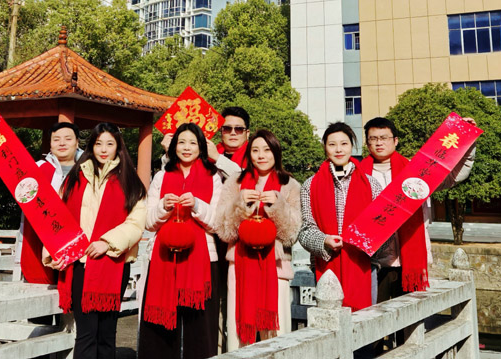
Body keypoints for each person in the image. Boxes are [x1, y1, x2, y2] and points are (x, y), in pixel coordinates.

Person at [45, 122, 147, 359]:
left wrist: (107, 243)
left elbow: (136, 223)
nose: (103, 149)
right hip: (81, 263)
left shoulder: (130, 181)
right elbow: (57, 219)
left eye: (109, 144)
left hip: (113, 263)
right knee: (86, 334)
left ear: (118, 147)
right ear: (91, 146)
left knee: (107, 334)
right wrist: (56, 252)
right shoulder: (75, 178)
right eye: (98, 143)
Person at [361, 116, 476, 304]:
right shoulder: (358, 175)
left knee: (409, 317)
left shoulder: (415, 170)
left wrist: (467, 141)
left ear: (395, 141)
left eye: (384, 138)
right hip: (373, 262)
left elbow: (453, 176)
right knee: (373, 315)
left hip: (410, 261)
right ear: (367, 143)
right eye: (373, 138)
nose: (379, 143)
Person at [139, 123, 222, 359]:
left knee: (201, 329)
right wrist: (163, 207)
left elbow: (218, 223)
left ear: (201, 148)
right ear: (173, 146)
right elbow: (148, 222)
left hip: (202, 260)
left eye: (193, 143)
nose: (187, 147)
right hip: (163, 258)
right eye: (182, 142)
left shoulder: (214, 177)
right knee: (160, 329)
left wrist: (197, 205)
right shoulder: (161, 176)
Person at [216, 129, 301, 350]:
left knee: (276, 332)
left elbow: (291, 234)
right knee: (239, 333)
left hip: (276, 267)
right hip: (240, 265)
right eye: (255, 150)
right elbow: (223, 231)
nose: (261, 155)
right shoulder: (235, 182)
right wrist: (240, 204)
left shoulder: (290, 185)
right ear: (249, 154)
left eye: (267, 150)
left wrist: (278, 205)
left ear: (276, 152)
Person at [298, 122, 382, 311]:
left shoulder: (371, 184)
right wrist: (324, 240)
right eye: (332, 144)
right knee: (330, 321)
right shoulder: (310, 185)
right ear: (325, 147)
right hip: (326, 265)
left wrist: (366, 241)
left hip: (363, 265)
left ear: (352, 146)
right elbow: (305, 230)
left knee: (364, 321)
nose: (338, 149)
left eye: (344, 143)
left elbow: (382, 227)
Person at [21, 122, 82, 285]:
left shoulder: (88, 171)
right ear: (50, 144)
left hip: (77, 247)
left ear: (77, 142)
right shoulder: (37, 169)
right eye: (56, 139)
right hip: (40, 244)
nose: (62, 143)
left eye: (68, 139)